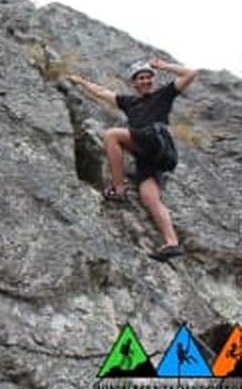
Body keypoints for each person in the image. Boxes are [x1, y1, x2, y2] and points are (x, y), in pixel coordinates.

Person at [68, 57, 198, 262]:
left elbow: (190, 74)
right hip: (149, 158)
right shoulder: (130, 102)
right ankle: (172, 243)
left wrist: (163, 66)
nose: (146, 81)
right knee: (150, 198)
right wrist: (82, 83)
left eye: (148, 77)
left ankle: (118, 189)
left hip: (155, 140)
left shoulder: (163, 95)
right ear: (134, 83)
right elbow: (103, 93)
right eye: (141, 78)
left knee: (112, 135)